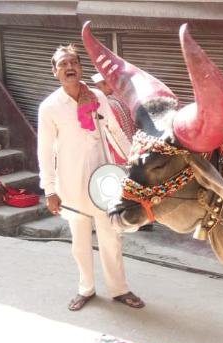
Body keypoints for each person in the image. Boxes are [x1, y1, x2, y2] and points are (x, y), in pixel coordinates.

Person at [37, 45, 145, 311]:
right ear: (54, 71)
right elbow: (45, 150)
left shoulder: (96, 96)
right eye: (63, 64)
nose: (69, 67)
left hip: (103, 180)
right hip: (70, 183)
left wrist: (134, 164)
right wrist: (49, 190)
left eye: (74, 62)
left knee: (111, 237)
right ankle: (86, 289)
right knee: (80, 241)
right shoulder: (49, 107)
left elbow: (115, 132)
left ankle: (119, 289)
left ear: (81, 67)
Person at [91, 72, 153, 232]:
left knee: (120, 191)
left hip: (120, 153)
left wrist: (124, 157)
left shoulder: (109, 105)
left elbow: (112, 134)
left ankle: (127, 221)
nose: (98, 90)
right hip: (134, 147)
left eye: (99, 86)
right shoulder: (124, 101)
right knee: (137, 187)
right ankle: (146, 221)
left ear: (107, 85)